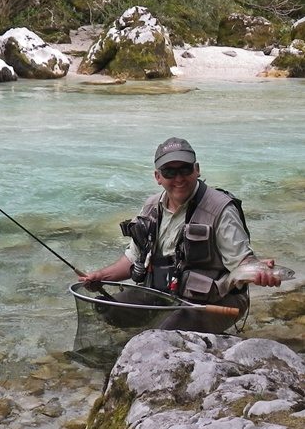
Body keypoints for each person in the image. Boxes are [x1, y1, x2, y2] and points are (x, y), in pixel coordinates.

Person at [81, 137, 282, 333]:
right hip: (164, 294)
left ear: (197, 169)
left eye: (185, 169)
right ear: (158, 177)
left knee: (165, 332)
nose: (179, 179)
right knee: (107, 308)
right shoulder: (151, 207)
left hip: (215, 301)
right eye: (169, 172)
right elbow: (132, 259)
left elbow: (242, 263)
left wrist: (260, 271)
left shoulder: (220, 209)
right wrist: (101, 276)